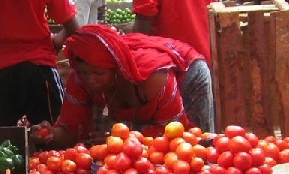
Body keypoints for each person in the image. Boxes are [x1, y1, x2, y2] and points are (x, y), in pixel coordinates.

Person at [33, 24, 211, 146]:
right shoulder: (79, 78)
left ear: (116, 69)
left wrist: (120, 139)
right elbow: (71, 129)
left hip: (188, 74)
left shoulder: (154, 78)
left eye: (99, 73)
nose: (91, 79)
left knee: (194, 148)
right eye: (85, 72)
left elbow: (173, 135)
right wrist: (51, 134)